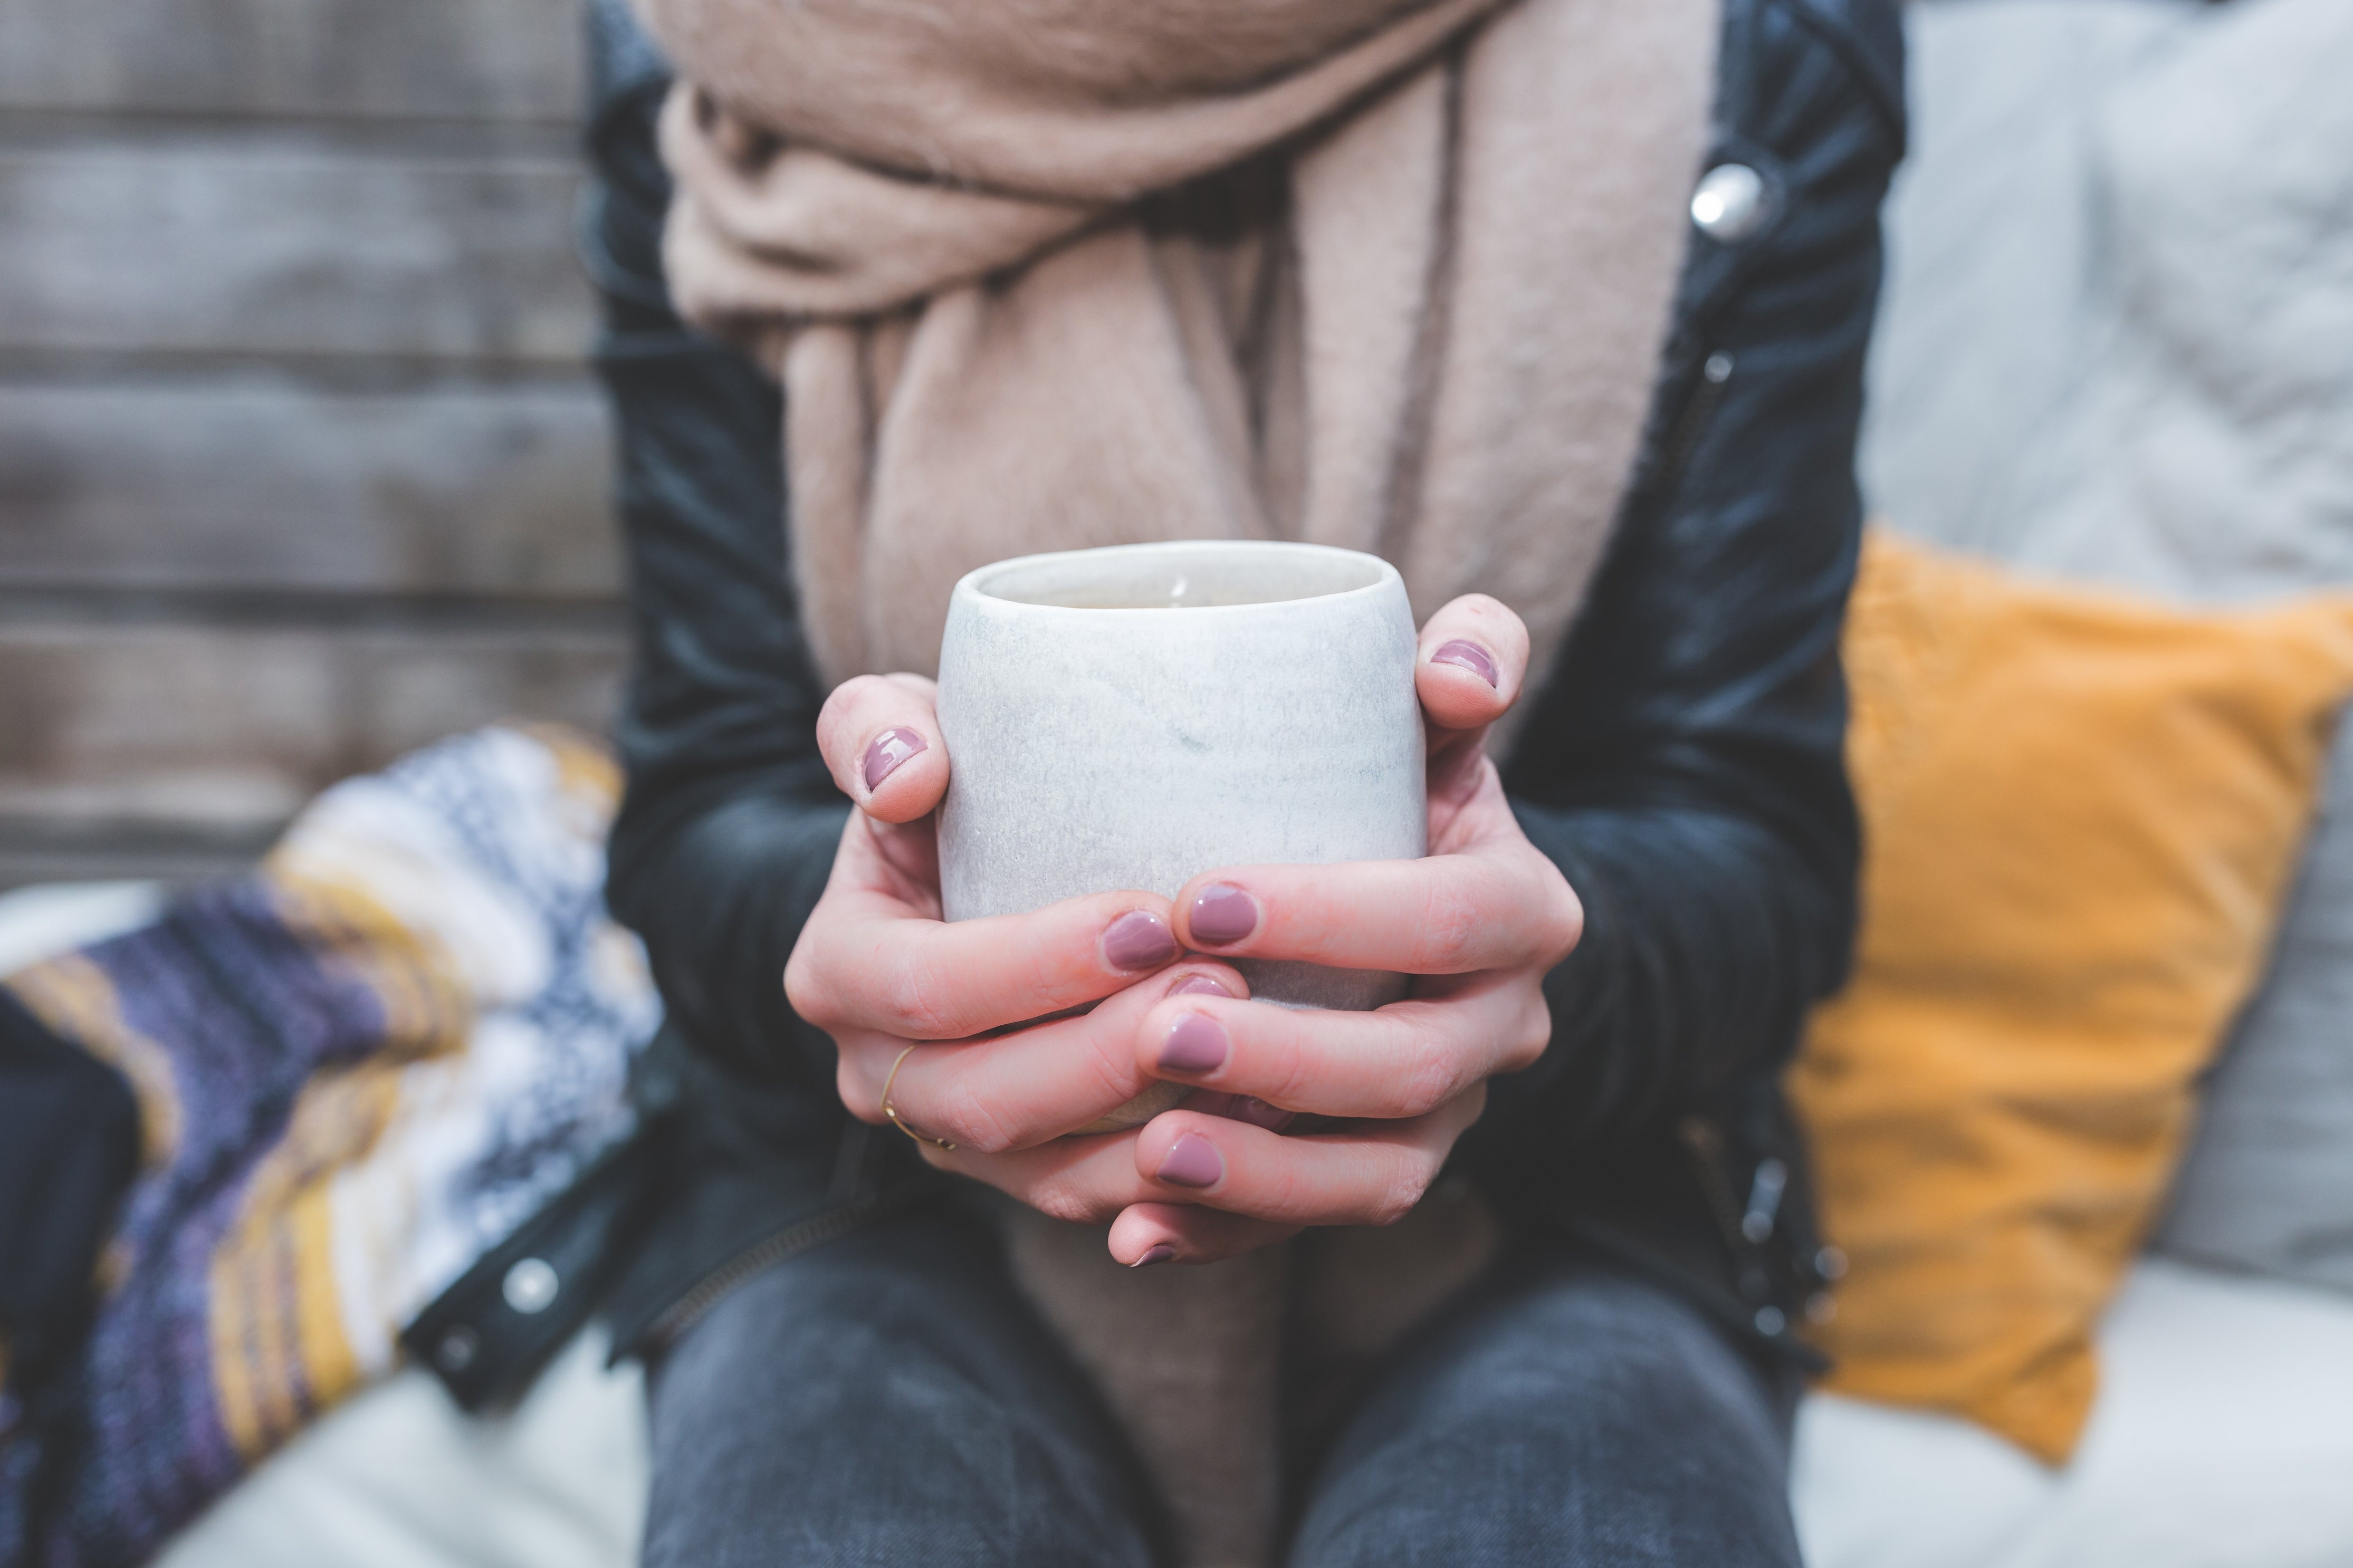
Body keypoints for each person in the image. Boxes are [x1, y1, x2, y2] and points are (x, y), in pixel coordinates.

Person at [581, 0, 1901, 1562]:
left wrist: (1499, 969)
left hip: (1555, 1210)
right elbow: (698, 812)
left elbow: (1756, 853)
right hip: (865, 1200)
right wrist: (872, 954)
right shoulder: (732, 44)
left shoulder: (1745, 42)